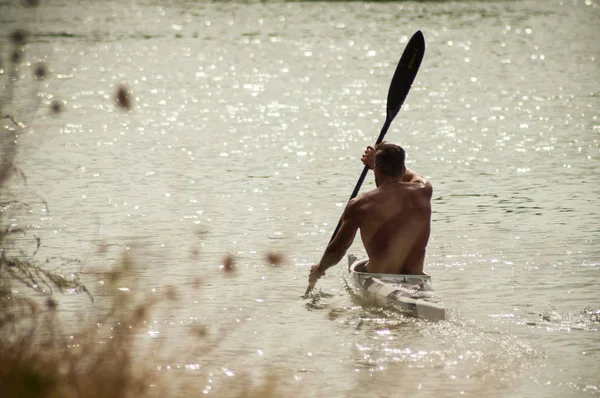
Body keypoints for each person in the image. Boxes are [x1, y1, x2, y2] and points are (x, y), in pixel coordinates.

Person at [308, 142, 433, 287]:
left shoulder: (360, 204)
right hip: (415, 277)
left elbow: (338, 249)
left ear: (377, 170)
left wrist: (320, 268)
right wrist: (377, 162)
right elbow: (412, 175)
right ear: (403, 169)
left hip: (379, 277)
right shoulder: (423, 191)